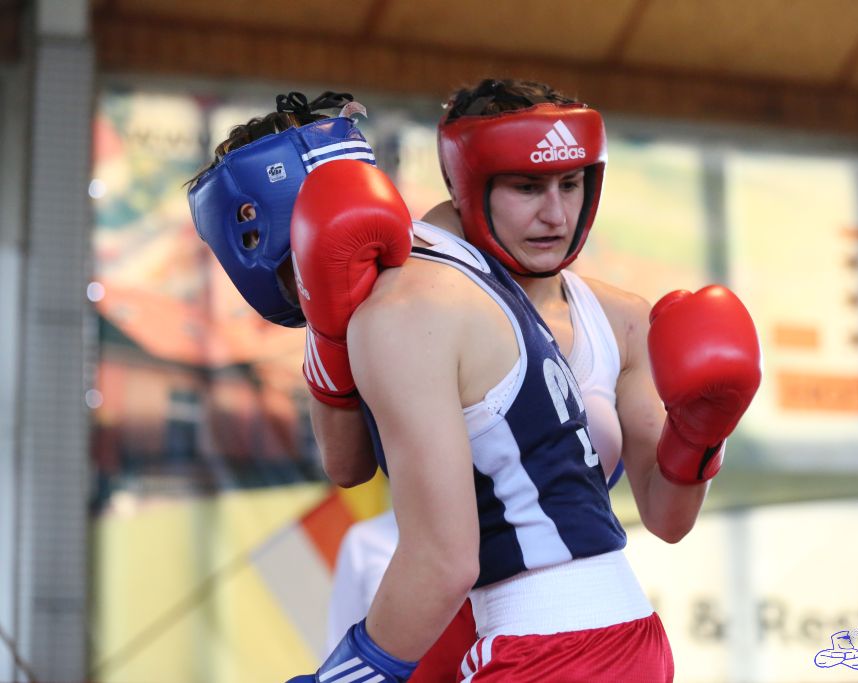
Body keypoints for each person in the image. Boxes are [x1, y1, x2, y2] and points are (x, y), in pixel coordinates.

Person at [190, 80, 762, 682]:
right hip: (495, 618)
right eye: (527, 186)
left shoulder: (430, 306)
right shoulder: (417, 295)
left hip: (530, 623)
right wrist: (329, 335)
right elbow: (349, 466)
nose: (555, 214)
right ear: (466, 184)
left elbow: (660, 521)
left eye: (570, 184)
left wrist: (700, 435)